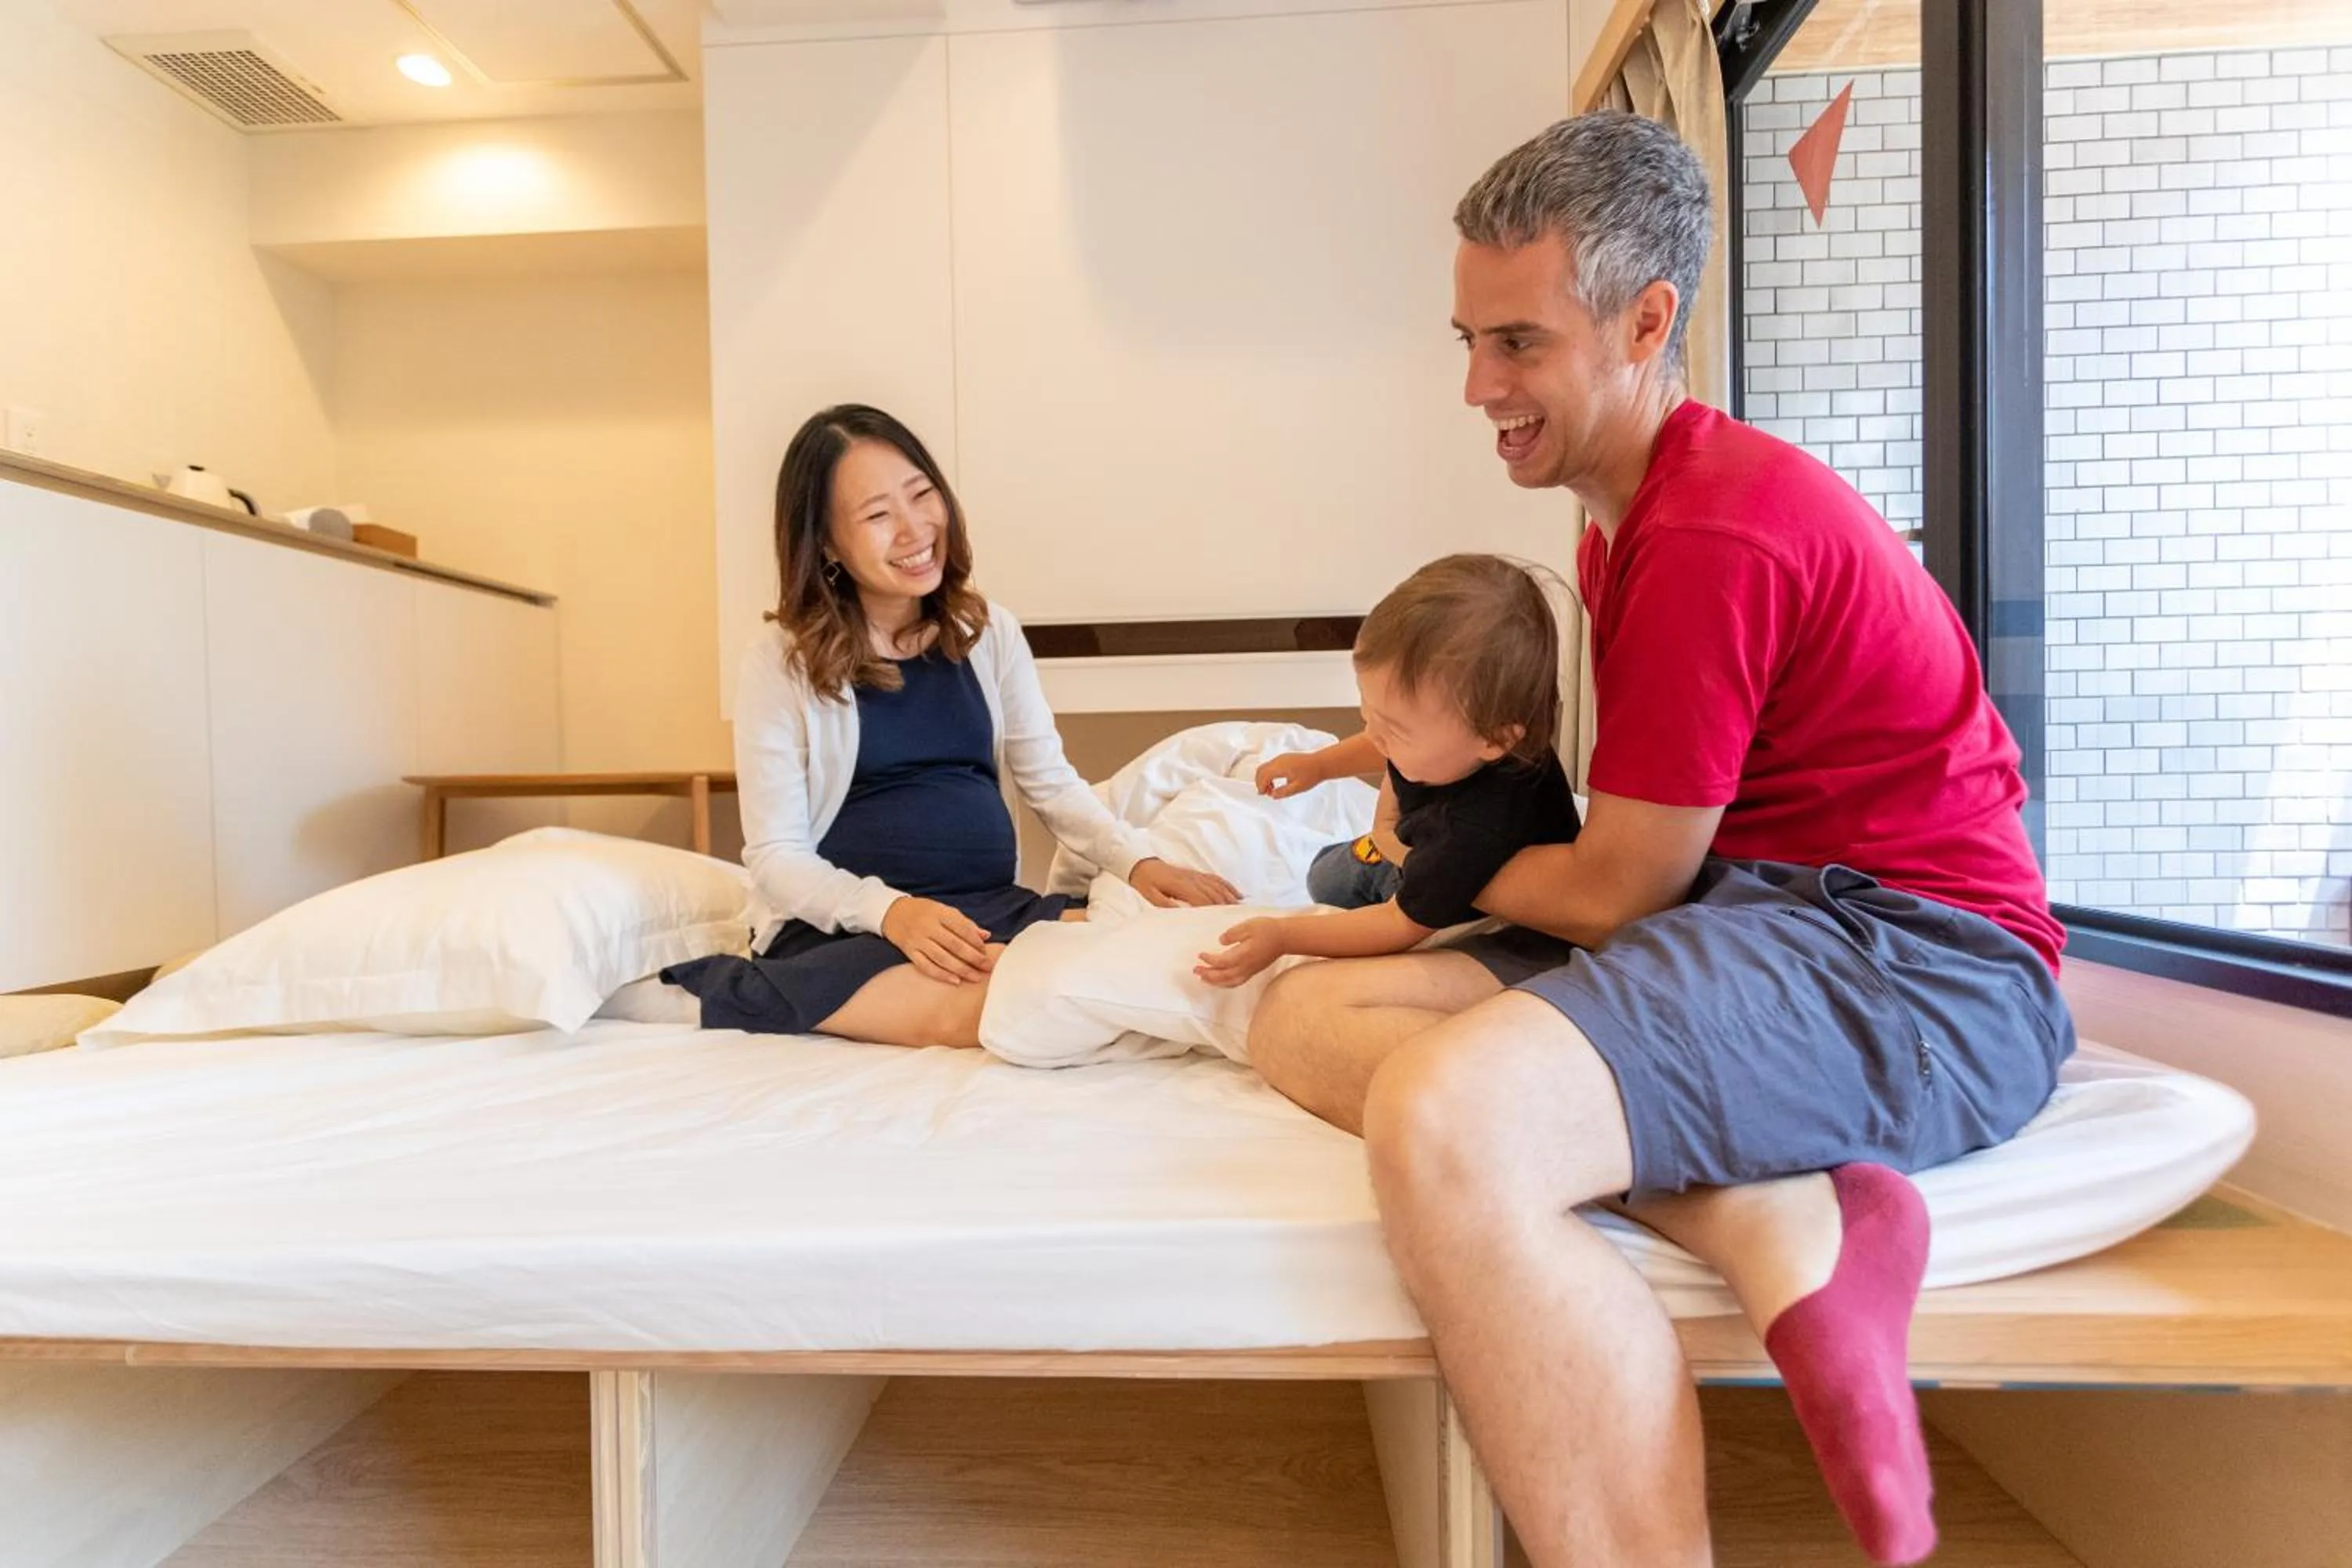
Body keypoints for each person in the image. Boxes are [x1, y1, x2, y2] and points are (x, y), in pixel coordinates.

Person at [1245, 114, 2073, 1568]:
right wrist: (1427, 847)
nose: (1475, 388)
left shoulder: (1711, 533)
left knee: (1449, 1119)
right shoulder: (1617, 520)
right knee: (1305, 1014)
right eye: (1468, 340)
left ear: (1646, 321)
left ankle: (1780, 1237)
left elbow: (1624, 889)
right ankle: (1771, 1209)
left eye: (1516, 345)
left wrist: (1428, 863)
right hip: (1761, 924)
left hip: (1918, 970)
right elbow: (1640, 859)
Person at [664, 404, 1238, 1046]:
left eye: (921, 495)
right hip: (847, 931)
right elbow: (776, 857)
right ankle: (721, 991)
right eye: (879, 516)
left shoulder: (989, 632)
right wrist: (894, 913)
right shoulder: (781, 661)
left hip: (990, 909)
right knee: (1008, 1006)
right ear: (825, 543)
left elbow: (1049, 782)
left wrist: (1137, 861)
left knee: (1167, 961)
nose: (914, 530)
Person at [1196, 554, 1580, 987]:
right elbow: (1379, 745)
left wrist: (1284, 935)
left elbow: (1397, 925)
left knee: (1333, 884)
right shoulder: (1464, 743)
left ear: (1495, 740)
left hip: (1457, 903)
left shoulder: (1473, 831)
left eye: (1394, 729)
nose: (1373, 733)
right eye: (1367, 707)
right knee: (1326, 871)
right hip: (1412, 845)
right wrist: (1320, 765)